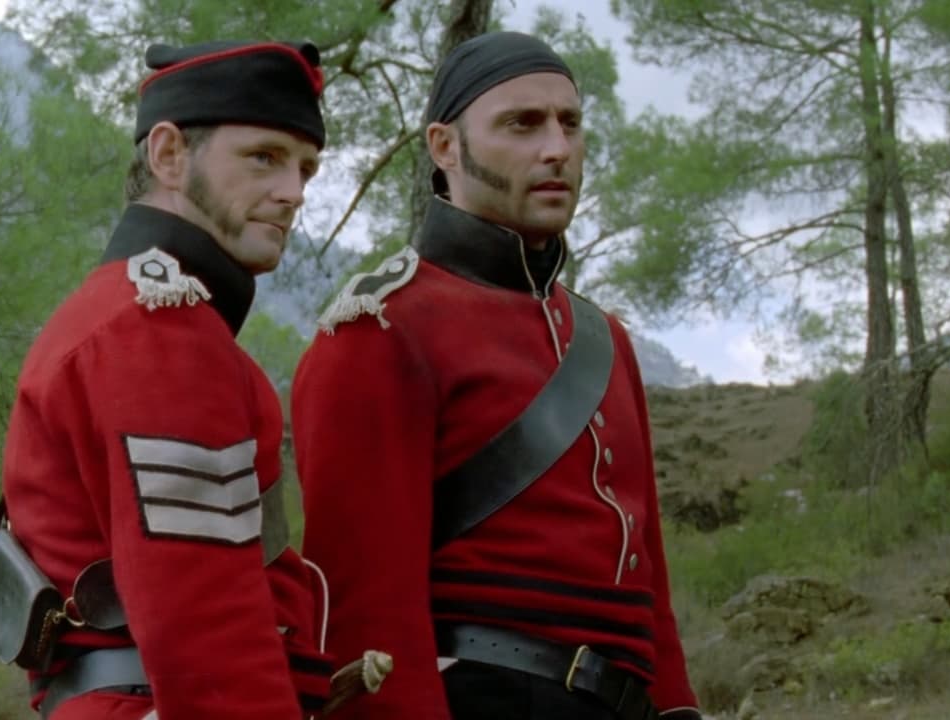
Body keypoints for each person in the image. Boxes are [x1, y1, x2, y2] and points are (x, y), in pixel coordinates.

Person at [291, 31, 701, 720]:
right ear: (445, 147)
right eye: (523, 123)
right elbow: (364, 608)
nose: (557, 148)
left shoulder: (606, 338)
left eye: (570, 123)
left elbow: (648, 589)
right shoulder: (381, 326)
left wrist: (678, 710)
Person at [0, 39, 333, 719]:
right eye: (264, 157)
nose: (293, 192)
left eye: (305, 168)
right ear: (169, 155)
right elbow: (210, 640)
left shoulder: (136, 315)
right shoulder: (160, 330)